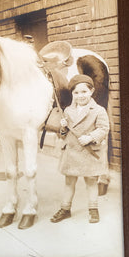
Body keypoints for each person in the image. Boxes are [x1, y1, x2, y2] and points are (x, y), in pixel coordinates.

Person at [50, 74, 109, 224]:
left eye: (84, 92)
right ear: (72, 94)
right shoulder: (68, 111)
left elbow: (103, 128)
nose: (80, 96)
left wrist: (90, 137)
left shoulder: (98, 110)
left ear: (92, 91)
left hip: (89, 152)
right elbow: (63, 135)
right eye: (76, 93)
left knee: (91, 182)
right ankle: (65, 209)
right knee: (69, 182)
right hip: (72, 153)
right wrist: (62, 126)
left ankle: (93, 209)